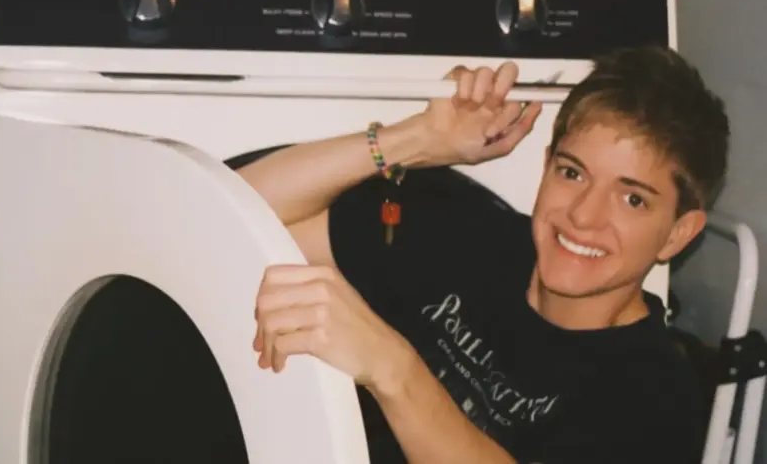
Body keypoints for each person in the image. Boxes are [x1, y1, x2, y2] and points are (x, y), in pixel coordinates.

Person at [236, 45, 729, 464]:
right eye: (572, 173)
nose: (583, 216)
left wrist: (393, 368)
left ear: (677, 234)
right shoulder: (471, 234)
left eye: (632, 199)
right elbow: (232, 213)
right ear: (547, 165)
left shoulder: (657, 399)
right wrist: (417, 140)